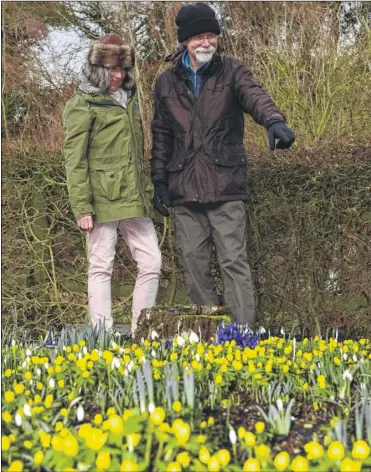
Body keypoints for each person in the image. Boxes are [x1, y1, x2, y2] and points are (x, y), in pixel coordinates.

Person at [150, 3, 295, 328]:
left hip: (226, 186)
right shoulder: (166, 83)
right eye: (199, 36)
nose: (206, 42)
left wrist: (273, 121)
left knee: (234, 263)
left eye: (211, 35)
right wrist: (159, 181)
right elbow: (161, 134)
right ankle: (210, 340)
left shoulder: (233, 71)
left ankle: (243, 337)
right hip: (184, 190)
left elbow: (255, 95)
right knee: (194, 266)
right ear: (185, 41)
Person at [63, 33, 161, 335]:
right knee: (101, 266)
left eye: (123, 70)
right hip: (101, 199)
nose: (118, 75)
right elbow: (74, 159)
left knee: (152, 262)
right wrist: (82, 206)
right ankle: (102, 338)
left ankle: (139, 332)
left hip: (133, 195)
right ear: (98, 69)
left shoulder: (129, 99)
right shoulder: (82, 103)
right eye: (112, 70)